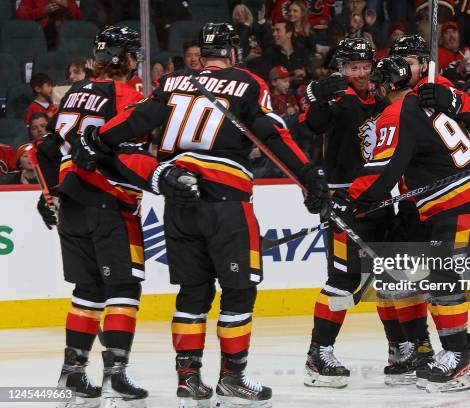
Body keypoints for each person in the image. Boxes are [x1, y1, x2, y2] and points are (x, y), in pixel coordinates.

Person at [77, 22, 328, 407]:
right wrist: (310, 179)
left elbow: (135, 121)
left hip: (178, 200)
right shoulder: (247, 83)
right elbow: (273, 136)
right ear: (234, 52)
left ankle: (188, 379)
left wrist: (96, 139)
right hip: (225, 199)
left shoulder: (174, 81)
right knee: (239, 290)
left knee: (192, 292)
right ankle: (232, 377)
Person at [33, 26, 198, 408]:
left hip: (72, 202)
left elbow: (45, 147)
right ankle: (116, 374)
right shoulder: (125, 93)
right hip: (109, 202)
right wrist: (160, 176)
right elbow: (124, 156)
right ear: (127, 58)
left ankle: (72, 372)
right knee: (123, 289)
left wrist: (49, 193)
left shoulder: (73, 92)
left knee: (87, 291)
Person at [346, 52, 470, 393]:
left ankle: (459, 358)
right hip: (460, 194)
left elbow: (383, 172)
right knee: (439, 276)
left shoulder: (395, 113)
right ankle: (451, 352)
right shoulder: (421, 101)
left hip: (461, 197)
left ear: (384, 86)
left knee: (443, 277)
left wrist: (350, 201)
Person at [299, 37, 407, 388]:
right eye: (352, 67)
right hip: (344, 199)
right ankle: (319, 353)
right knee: (343, 279)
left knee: (389, 276)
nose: (359, 73)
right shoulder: (336, 98)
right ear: (341, 69)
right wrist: (315, 96)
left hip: (380, 197)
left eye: (364, 67)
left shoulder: (381, 97)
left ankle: (400, 349)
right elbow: (312, 125)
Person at [16, 0, 83, 49]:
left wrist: (66, 4)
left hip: (65, 37)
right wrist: (42, 11)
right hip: (39, 34)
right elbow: (20, 16)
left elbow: (79, 17)